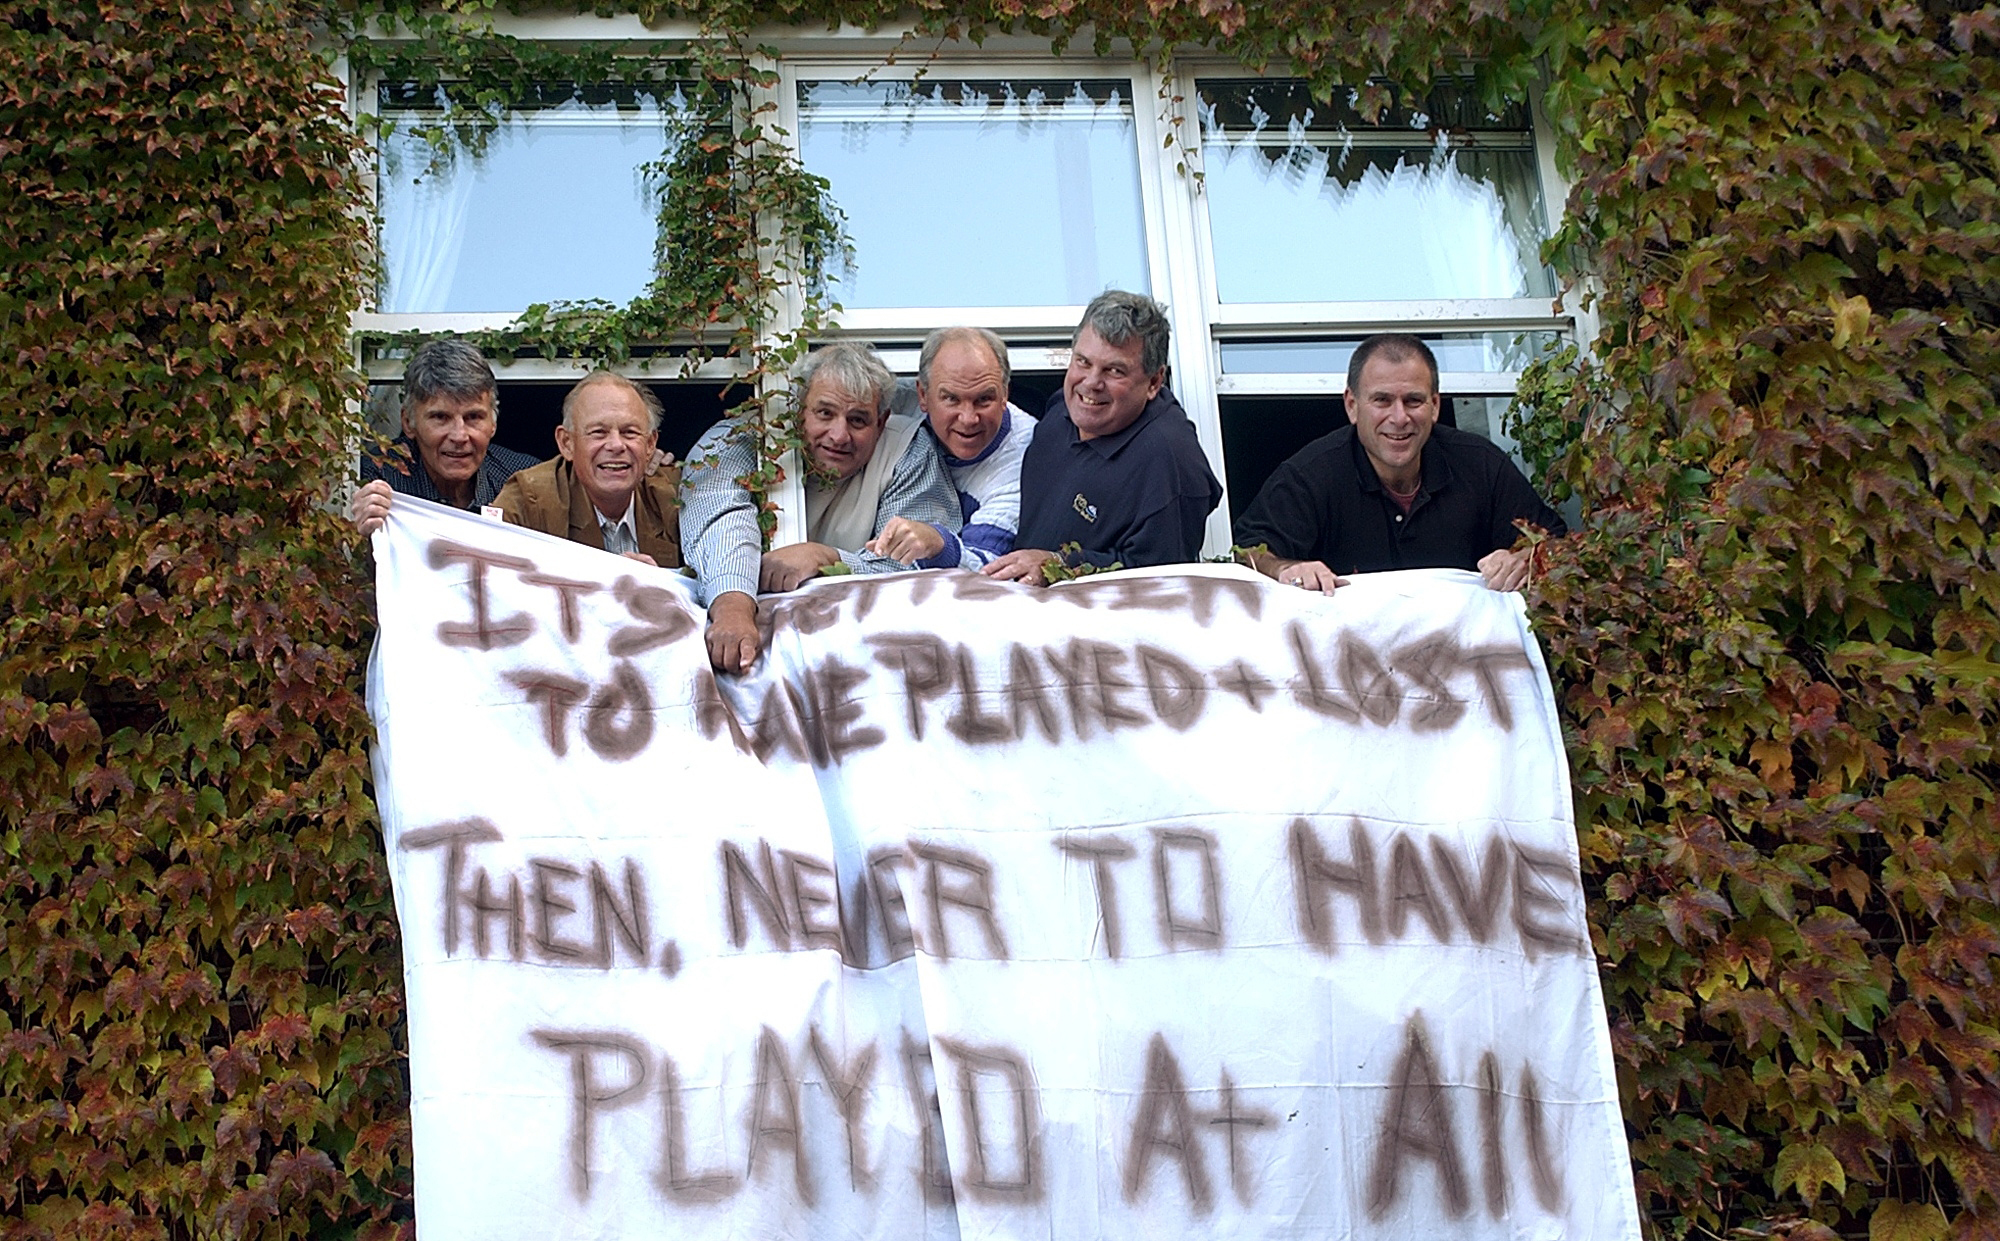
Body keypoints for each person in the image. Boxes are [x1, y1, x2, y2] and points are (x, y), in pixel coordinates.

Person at [1231, 334, 1567, 594]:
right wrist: (1288, 570)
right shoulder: (1311, 476)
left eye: (1413, 401)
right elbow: (1247, 554)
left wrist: (1525, 560)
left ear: (1435, 406)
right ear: (1352, 406)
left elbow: (1559, 546)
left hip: (1464, 656)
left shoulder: (1481, 464)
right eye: (1382, 400)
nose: (1399, 417)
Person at [684, 343, 960, 597]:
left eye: (857, 420)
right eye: (825, 413)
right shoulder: (744, 441)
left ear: (881, 422)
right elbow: (719, 535)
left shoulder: (906, 447)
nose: (839, 436)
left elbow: (914, 570)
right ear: (799, 410)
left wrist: (825, 558)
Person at [983, 291, 1221, 584]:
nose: (1092, 383)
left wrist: (1058, 565)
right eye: (1083, 362)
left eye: (1114, 371)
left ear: (1154, 382)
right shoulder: (1064, 408)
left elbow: (1162, 584)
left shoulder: (1169, 463)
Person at [873, 326, 1035, 571]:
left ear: (1005, 395)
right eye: (951, 399)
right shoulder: (894, 403)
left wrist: (939, 545)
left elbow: (987, 566)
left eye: (984, 400)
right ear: (922, 395)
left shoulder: (1026, 459)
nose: (968, 419)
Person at [490, 371, 681, 565]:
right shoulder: (528, 500)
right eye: (598, 432)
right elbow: (489, 574)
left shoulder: (678, 494)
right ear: (567, 443)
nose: (616, 445)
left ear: (650, 444)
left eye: (629, 432)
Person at [355, 338, 537, 514]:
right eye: (441, 417)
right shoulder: (376, 477)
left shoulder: (525, 481)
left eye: (473, 417)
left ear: (493, 423)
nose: (459, 436)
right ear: (408, 422)